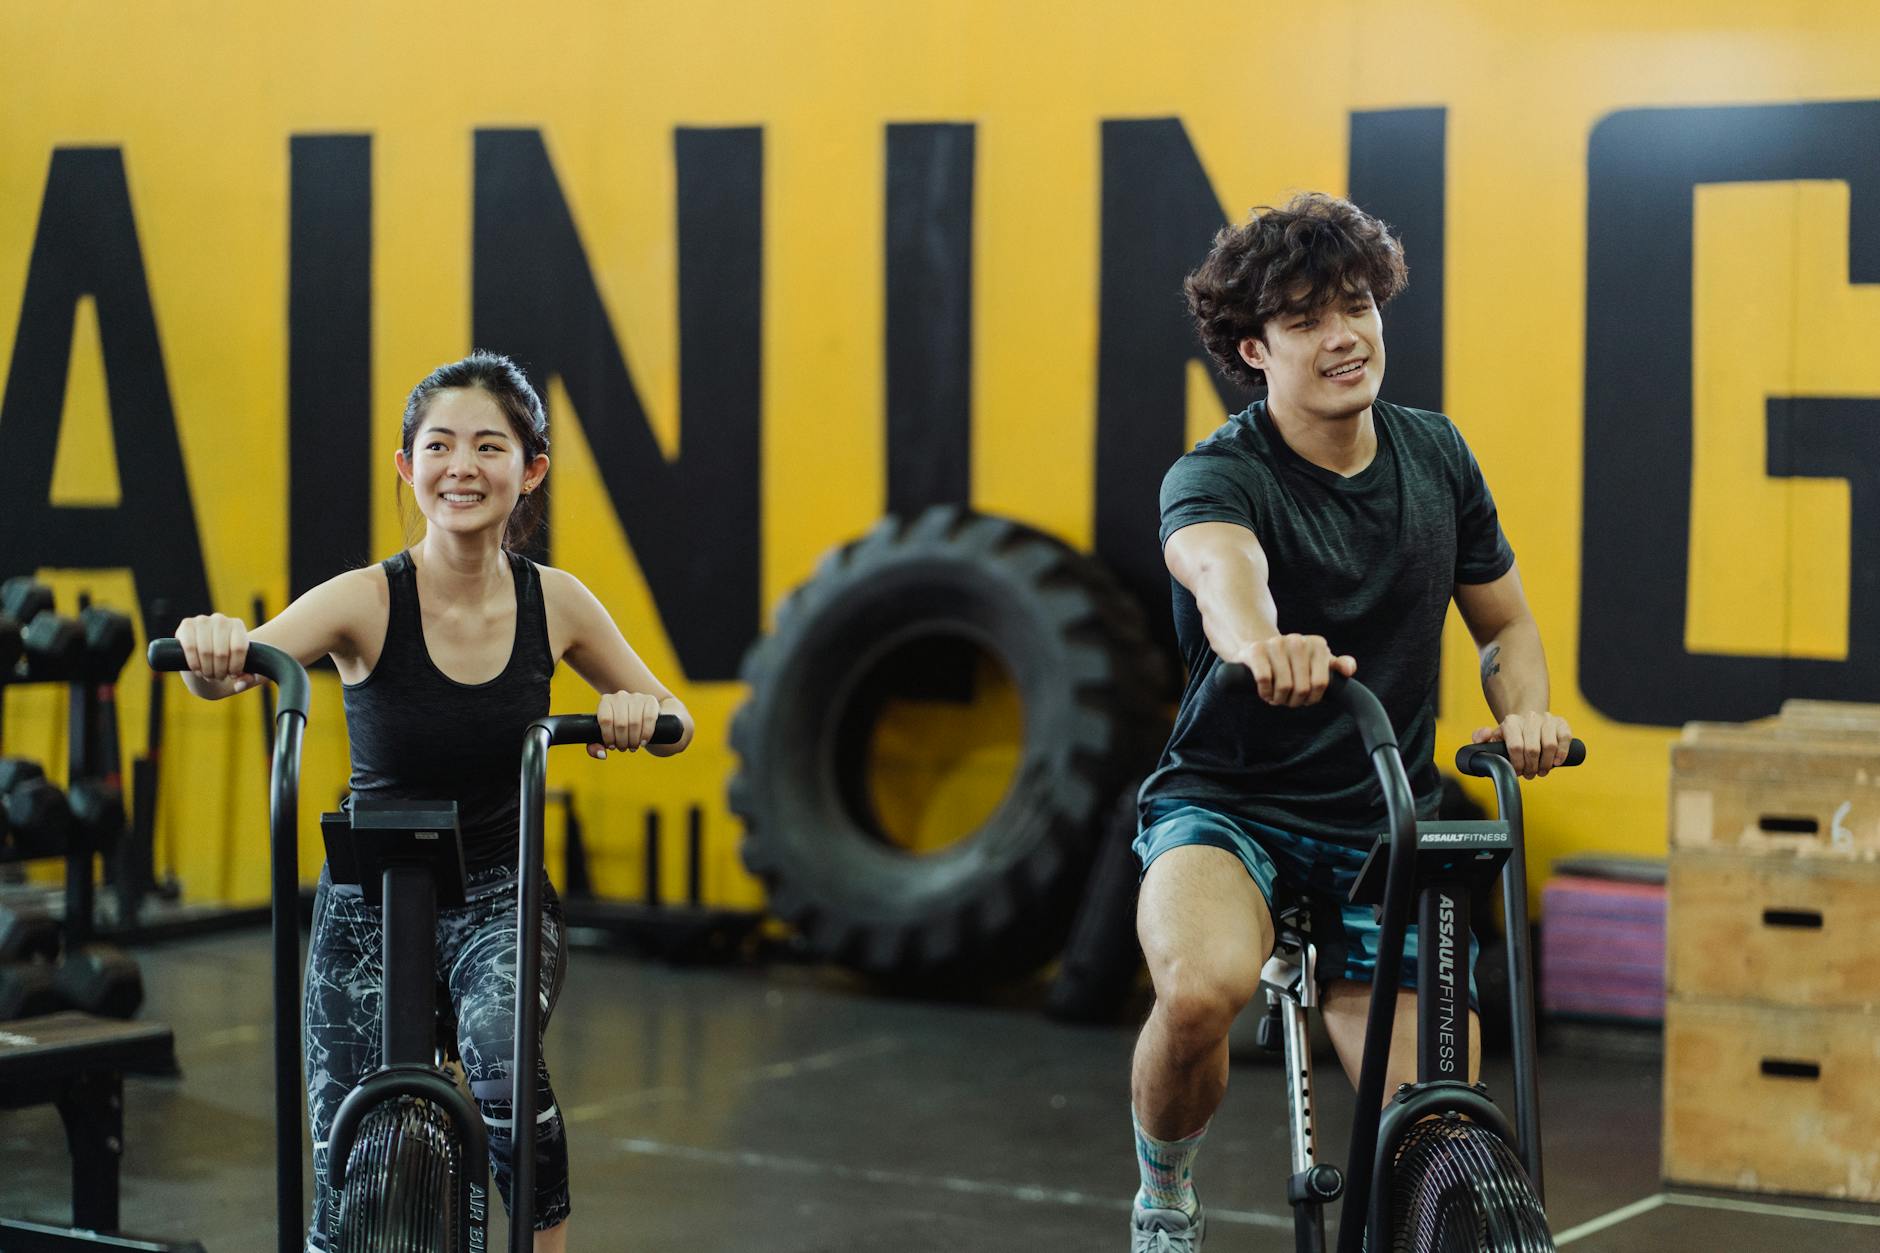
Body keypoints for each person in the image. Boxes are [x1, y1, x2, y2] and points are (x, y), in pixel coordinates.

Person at [1125, 194, 1572, 1250]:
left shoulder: (1434, 455)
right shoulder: (1217, 471)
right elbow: (1215, 565)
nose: (1344, 335)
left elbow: (1502, 619)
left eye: (1357, 304)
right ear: (1252, 347)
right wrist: (1255, 641)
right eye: (1306, 318)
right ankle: (1161, 1188)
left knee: (1433, 1117)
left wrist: (1527, 714)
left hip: (1382, 820)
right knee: (1202, 988)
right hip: (1228, 803)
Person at [175, 350, 694, 1253]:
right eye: (440, 444)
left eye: (489, 446)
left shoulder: (557, 603)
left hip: (500, 897)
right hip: (366, 907)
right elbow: (235, 671)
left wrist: (634, 712)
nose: (463, 466)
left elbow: (675, 719)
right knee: (349, 1140)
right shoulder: (365, 599)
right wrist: (212, 644)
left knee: (499, 1062)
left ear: (529, 471)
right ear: (407, 466)